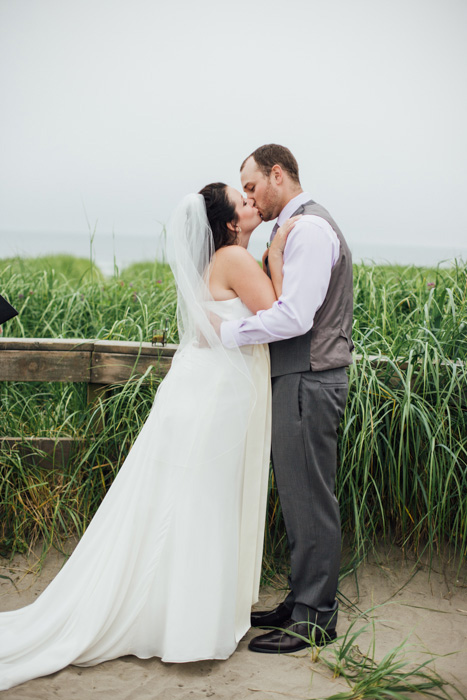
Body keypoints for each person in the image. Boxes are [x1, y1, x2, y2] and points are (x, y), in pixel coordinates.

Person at [0, 184, 297, 690]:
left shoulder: (221, 258)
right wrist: (276, 252)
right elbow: (280, 312)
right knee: (203, 502)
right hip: (215, 397)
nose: (252, 203)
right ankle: (187, 627)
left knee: (183, 500)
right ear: (229, 223)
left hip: (199, 388)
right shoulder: (237, 259)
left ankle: (173, 615)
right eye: (241, 201)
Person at [220, 145, 354, 654]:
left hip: (311, 377)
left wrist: (228, 334)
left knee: (311, 498)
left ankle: (316, 616)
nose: (250, 197)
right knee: (298, 496)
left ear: (278, 174)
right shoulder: (289, 231)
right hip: (299, 378)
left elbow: (296, 318)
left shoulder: (311, 230)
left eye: (253, 186)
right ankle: (300, 598)